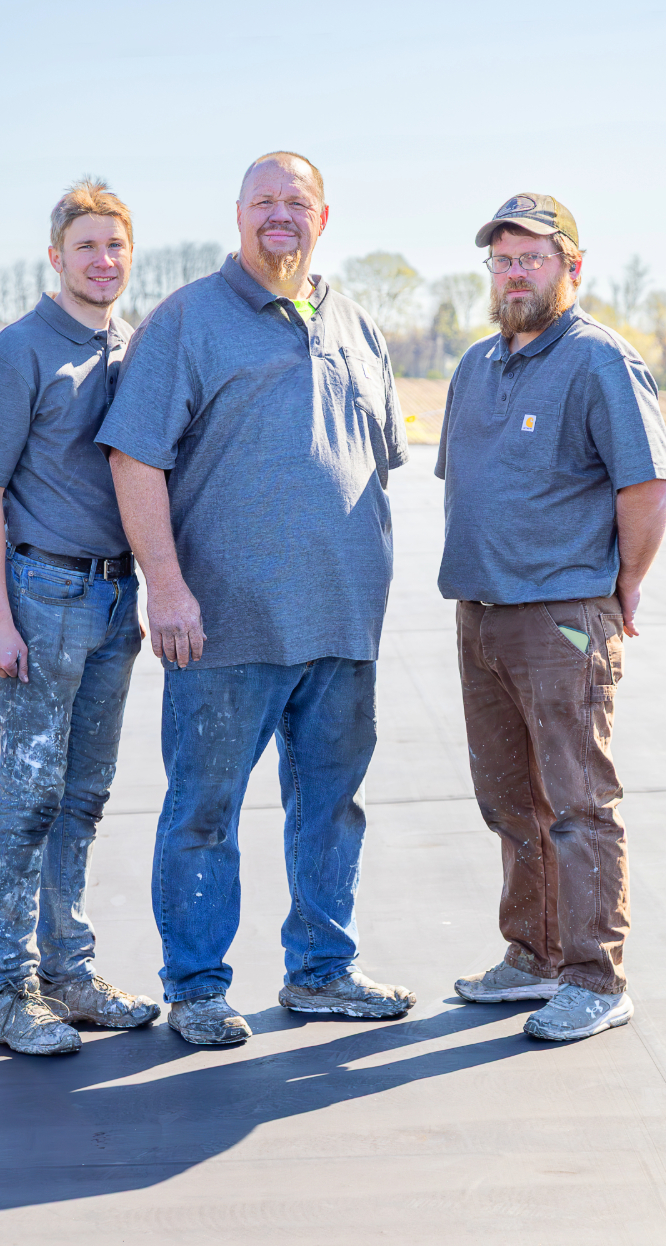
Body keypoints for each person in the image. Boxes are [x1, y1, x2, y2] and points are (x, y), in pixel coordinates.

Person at [95, 150, 416, 1045]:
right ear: (237, 215)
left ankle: (323, 970)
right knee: (205, 811)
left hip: (345, 622)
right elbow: (135, 457)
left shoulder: (355, 321)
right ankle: (197, 987)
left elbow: (370, 465)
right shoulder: (190, 319)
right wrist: (166, 586)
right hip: (223, 624)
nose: (282, 215)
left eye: (297, 202)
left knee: (332, 805)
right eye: (264, 201)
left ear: (324, 217)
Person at [436, 192, 666, 1041]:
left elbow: (644, 487)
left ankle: (595, 979)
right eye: (502, 259)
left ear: (572, 264)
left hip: (564, 617)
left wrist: (621, 585)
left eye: (531, 257)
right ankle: (531, 956)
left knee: (577, 801)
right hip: (483, 614)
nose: (514, 273)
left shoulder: (601, 361)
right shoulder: (476, 365)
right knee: (509, 800)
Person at [0, 179, 160, 1055]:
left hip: (116, 601)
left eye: (114, 247)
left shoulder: (133, 350)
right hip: (43, 601)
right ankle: (6, 991)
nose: (102, 261)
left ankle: (67, 974)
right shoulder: (17, 353)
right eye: (86, 247)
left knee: (85, 796)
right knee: (29, 798)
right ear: (55, 257)